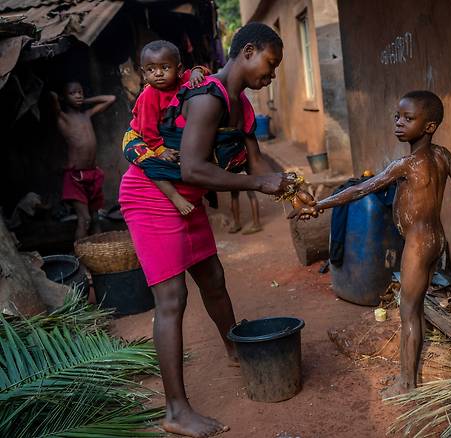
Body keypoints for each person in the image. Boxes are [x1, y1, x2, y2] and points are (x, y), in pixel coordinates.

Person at [119, 23, 313, 437]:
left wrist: (294, 192)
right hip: (153, 194)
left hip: (185, 196)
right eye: (270, 62)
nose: (272, 74)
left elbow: (258, 162)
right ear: (246, 51)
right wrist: (259, 185)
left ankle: (235, 349)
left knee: (214, 279)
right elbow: (193, 168)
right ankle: (175, 411)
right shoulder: (208, 97)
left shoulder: (239, 103)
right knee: (172, 298)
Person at [290, 90, 451, 396]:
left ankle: (408, 384)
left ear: (429, 126)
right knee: (414, 307)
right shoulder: (443, 155)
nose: (399, 123)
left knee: (409, 311)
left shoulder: (407, 164)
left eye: (408, 118)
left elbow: (360, 189)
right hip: (435, 238)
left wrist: (318, 205)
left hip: (417, 243)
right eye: (397, 117)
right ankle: (409, 375)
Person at [123, 40, 210, 216]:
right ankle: (174, 197)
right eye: (151, 69)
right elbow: (147, 128)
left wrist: (196, 72)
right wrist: (159, 149)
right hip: (137, 138)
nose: (158, 74)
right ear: (143, 73)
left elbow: (203, 71)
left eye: (164, 67)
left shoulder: (182, 80)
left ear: (178, 70)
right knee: (151, 163)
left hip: (158, 133)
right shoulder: (149, 94)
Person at [51, 82, 115, 240]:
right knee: (85, 220)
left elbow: (111, 99)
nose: (78, 95)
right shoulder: (62, 118)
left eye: (80, 92)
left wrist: (83, 101)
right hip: (75, 177)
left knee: (95, 219)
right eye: (73, 93)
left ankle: (100, 257)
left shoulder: (86, 115)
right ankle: (81, 261)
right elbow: (52, 96)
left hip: (92, 174)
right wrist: (62, 99)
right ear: (64, 98)